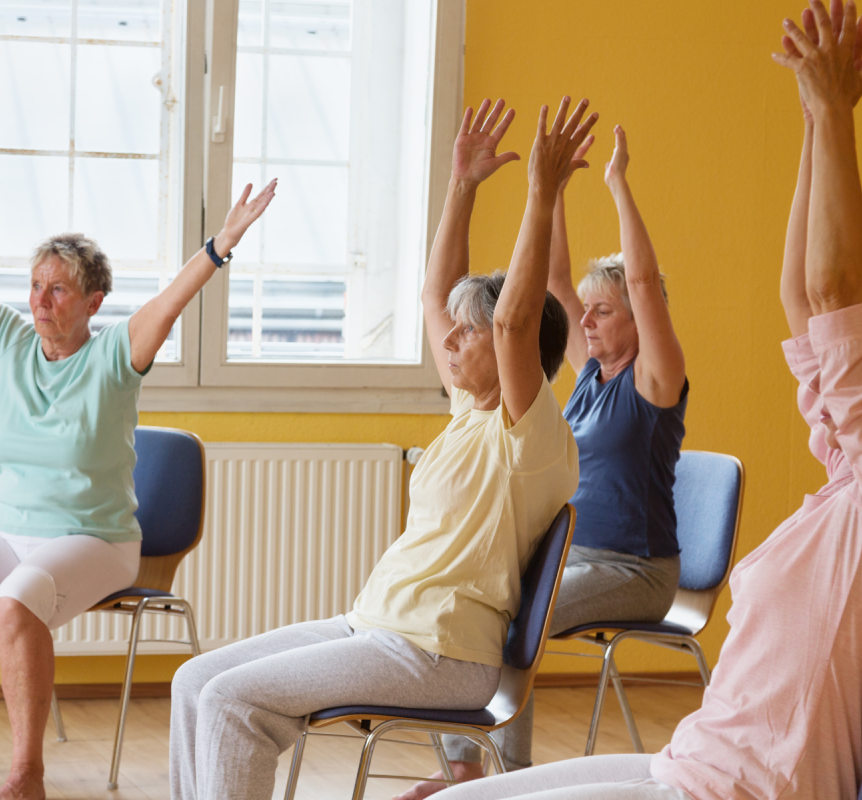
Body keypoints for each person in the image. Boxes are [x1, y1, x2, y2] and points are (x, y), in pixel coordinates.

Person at [438, 2, 862, 798]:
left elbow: (833, 292)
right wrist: (814, 121)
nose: (838, 357)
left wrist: (836, 115)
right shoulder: (860, 478)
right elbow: (805, 302)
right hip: (695, 760)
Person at [167, 96, 591, 800]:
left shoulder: (535, 436)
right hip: (377, 624)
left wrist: (542, 194)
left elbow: (516, 322)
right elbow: (433, 297)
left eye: (470, 333)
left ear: (516, 354)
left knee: (234, 705)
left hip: (440, 652)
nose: (450, 342)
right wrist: (461, 186)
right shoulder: (469, 409)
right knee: (195, 681)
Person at [0, 132, 274, 800]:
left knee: (13, 603)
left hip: (97, 540)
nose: (41, 300)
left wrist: (221, 244)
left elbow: (174, 299)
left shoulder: (116, 357)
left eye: (59, 289)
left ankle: (25, 774)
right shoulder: (9, 342)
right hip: (8, 530)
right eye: (36, 286)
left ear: (94, 302)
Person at [406, 124, 688, 798]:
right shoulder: (588, 376)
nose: (587, 322)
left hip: (635, 569)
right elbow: (555, 283)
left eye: (604, 312)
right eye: (585, 314)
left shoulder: (655, 382)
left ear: (637, 320)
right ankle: (466, 771)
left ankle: (506, 776)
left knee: (513, 616)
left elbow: (646, 283)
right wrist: (554, 190)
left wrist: (617, 185)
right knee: (487, 602)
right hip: (576, 556)